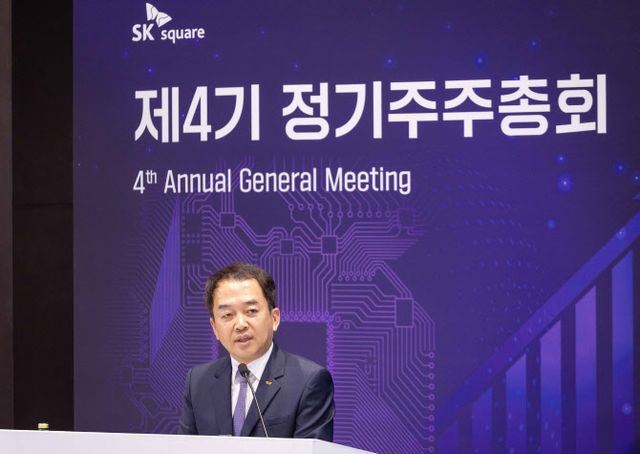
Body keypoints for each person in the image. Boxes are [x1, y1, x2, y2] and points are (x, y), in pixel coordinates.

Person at [178, 262, 335, 440]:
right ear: (214, 327)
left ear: (274, 318)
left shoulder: (308, 381)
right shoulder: (198, 381)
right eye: (227, 315)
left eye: (251, 311)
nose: (240, 325)